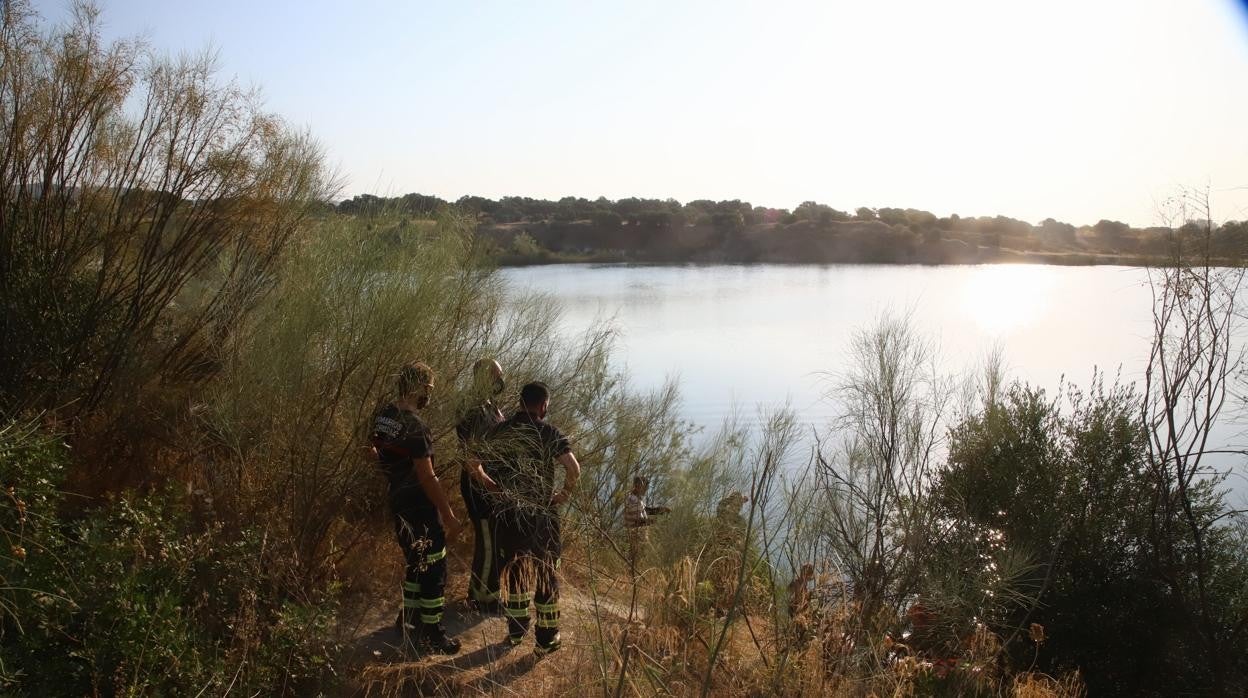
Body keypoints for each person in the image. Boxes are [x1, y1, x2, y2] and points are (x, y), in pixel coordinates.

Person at [370, 362, 462, 655]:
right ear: (416, 387)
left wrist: (391, 472)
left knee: (415, 561)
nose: (428, 395)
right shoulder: (416, 427)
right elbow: (427, 476)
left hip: (397, 500)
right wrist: (448, 515)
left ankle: (408, 620)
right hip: (420, 508)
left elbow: (370, 450)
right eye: (428, 388)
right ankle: (433, 635)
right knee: (434, 568)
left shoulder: (384, 415)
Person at [486, 381, 580, 656]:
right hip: (541, 517)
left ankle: (516, 630)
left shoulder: (500, 430)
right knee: (546, 573)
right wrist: (564, 493)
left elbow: (472, 463)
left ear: (520, 402)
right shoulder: (549, 433)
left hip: (508, 515)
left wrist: (490, 484)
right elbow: (573, 468)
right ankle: (546, 639)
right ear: (543, 405)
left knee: (514, 570)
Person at [456, 358, 507, 613]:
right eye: (497, 375)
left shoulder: (490, 405)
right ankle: (483, 599)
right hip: (479, 485)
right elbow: (469, 453)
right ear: (484, 377)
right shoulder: (472, 407)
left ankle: (484, 591)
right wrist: (485, 480)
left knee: (494, 539)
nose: (501, 380)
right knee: (488, 541)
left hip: (493, 484)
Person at [622, 475, 669, 571]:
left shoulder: (637, 498)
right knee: (636, 556)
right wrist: (652, 522)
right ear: (638, 485)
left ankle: (631, 572)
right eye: (645, 488)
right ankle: (631, 574)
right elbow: (638, 520)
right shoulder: (632, 499)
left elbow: (645, 511)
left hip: (638, 532)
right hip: (635, 533)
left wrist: (660, 510)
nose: (646, 491)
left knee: (636, 556)